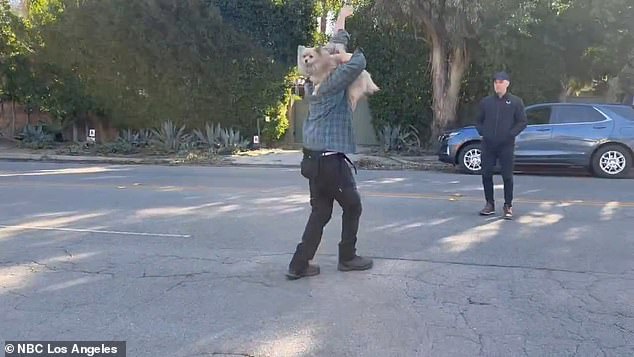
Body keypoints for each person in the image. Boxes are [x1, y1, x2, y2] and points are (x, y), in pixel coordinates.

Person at [286, 6, 373, 280]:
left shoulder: (315, 81)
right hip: (329, 162)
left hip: (313, 160)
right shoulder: (333, 83)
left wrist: (343, 18)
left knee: (321, 212)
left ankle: (298, 265)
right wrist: (347, 56)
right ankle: (347, 258)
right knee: (353, 206)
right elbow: (358, 62)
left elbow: (334, 47)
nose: (333, 57)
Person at [475, 71, 528, 220]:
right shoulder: (486, 102)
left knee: (507, 176)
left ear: (507, 84)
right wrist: (483, 133)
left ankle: (508, 205)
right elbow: (478, 121)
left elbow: (522, 122)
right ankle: (489, 204)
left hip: (506, 145)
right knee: (486, 174)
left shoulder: (515, 102)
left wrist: (511, 134)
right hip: (488, 144)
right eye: (495, 82)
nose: (497, 85)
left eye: (500, 82)